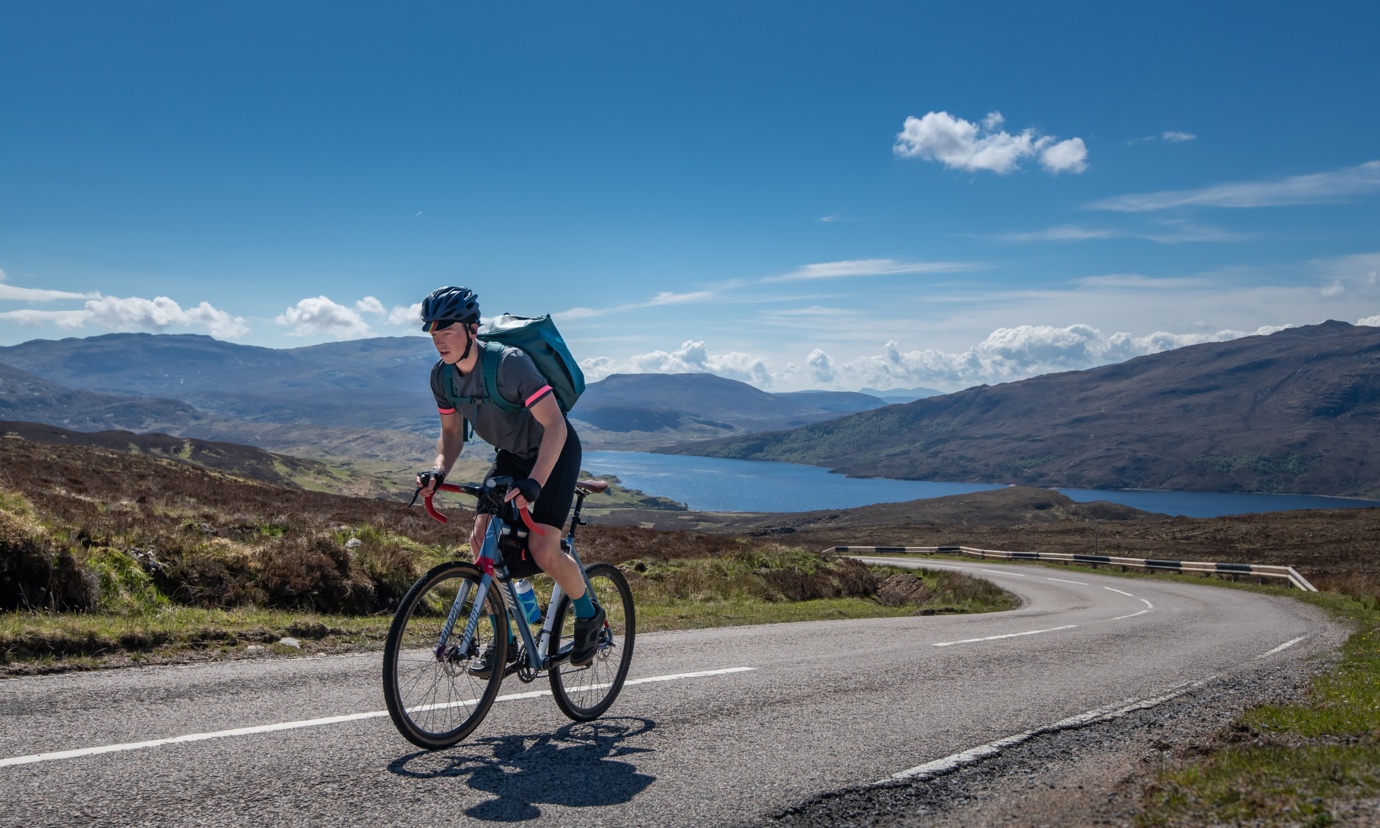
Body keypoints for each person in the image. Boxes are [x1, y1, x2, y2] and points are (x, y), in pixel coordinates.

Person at [412, 285, 603, 676]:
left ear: (472, 329)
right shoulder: (442, 378)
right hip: (512, 456)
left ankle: (590, 615)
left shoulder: (509, 364)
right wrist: (438, 470)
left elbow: (554, 426)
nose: (439, 341)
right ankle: (506, 640)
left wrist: (535, 482)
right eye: (433, 333)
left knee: (543, 548)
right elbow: (451, 436)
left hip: (555, 450)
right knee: (481, 541)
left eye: (447, 331)